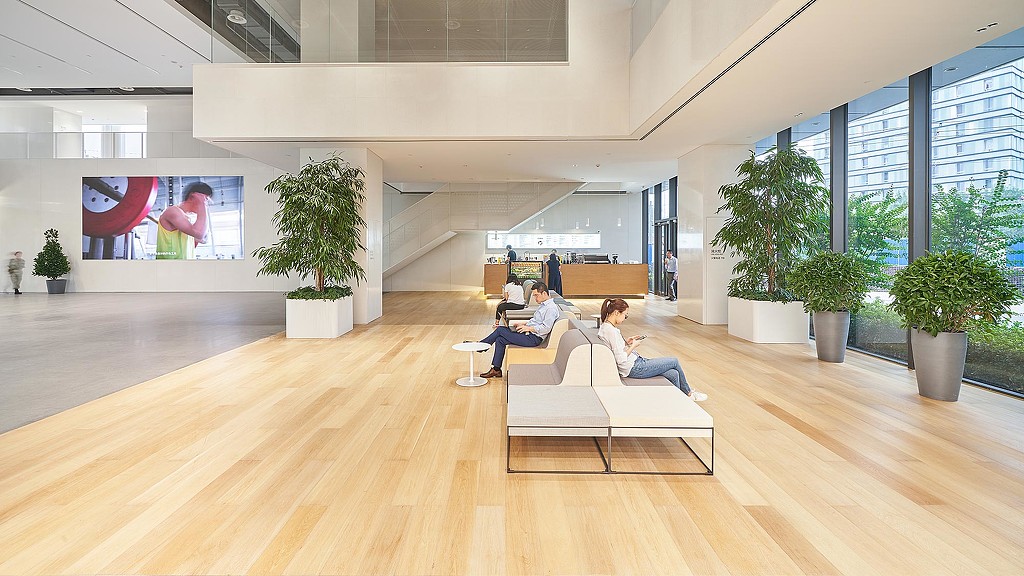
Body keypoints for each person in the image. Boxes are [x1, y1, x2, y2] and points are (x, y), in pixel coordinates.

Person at [597, 298, 707, 401]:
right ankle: (688, 394)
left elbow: (616, 349)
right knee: (674, 361)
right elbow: (620, 359)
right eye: (625, 315)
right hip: (634, 368)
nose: (625, 319)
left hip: (636, 362)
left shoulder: (606, 327)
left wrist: (627, 342)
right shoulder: (611, 331)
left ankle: (678, 401)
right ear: (616, 312)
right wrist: (633, 346)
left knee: (673, 374)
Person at [477, 281, 560, 379]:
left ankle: (481, 346)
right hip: (529, 333)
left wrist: (528, 328)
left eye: (536, 295)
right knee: (500, 340)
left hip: (533, 339)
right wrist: (523, 324)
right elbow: (535, 321)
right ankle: (496, 369)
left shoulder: (550, 309)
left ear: (544, 293)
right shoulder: (544, 305)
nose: (535, 298)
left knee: (500, 330)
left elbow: (546, 328)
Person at [156, 182, 213, 260]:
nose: (206, 205)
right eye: (206, 200)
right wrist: (202, 204)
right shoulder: (172, 211)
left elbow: (203, 238)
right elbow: (199, 233)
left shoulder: (187, 220)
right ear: (193, 196)